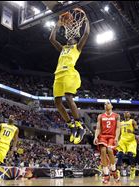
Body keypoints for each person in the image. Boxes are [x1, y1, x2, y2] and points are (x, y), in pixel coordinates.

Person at [49, 11, 90, 144]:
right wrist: (58, 24)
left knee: (68, 97)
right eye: (68, 38)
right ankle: (70, 125)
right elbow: (51, 39)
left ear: (75, 40)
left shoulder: (77, 48)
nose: (69, 38)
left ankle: (80, 125)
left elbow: (86, 34)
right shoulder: (62, 49)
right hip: (58, 75)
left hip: (70, 73)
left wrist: (87, 22)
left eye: (71, 38)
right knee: (57, 102)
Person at [94, 101, 121, 184]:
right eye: (104, 104)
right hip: (103, 136)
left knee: (109, 150)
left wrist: (116, 138)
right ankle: (106, 174)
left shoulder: (116, 116)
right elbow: (98, 128)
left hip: (112, 136)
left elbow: (118, 128)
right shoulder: (100, 116)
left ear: (112, 106)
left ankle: (114, 170)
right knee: (102, 151)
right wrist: (95, 137)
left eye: (108, 103)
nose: (106, 105)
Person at [116, 111, 138, 180]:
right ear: (123, 115)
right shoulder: (120, 123)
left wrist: (132, 131)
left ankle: (132, 169)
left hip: (131, 141)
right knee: (120, 155)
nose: (126, 112)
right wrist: (116, 139)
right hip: (122, 141)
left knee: (130, 155)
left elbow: (138, 131)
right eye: (125, 112)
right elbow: (118, 133)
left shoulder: (132, 121)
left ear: (130, 114)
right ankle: (118, 172)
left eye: (128, 112)